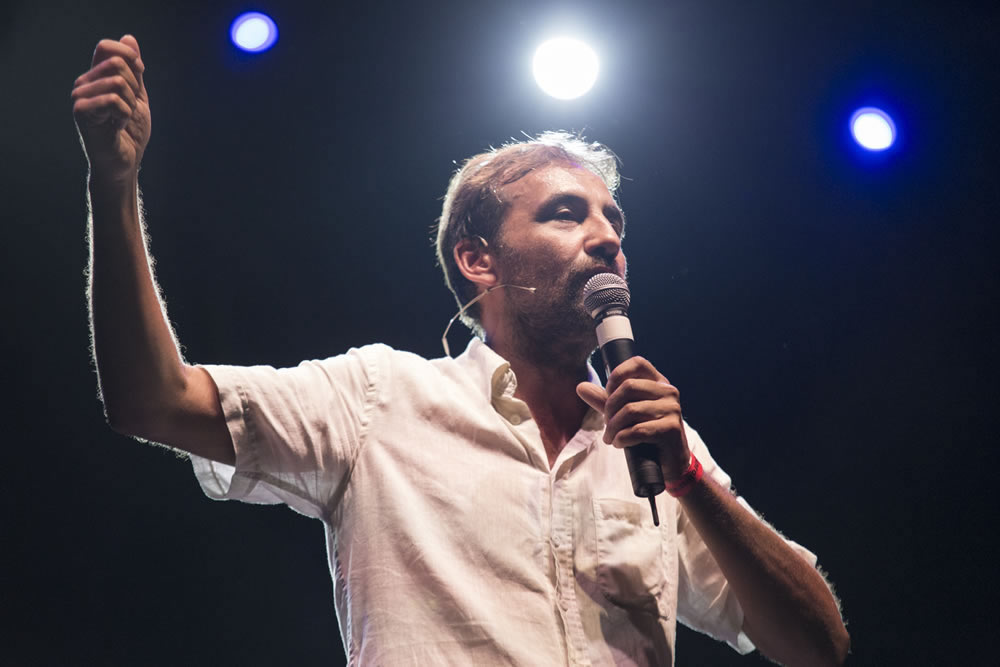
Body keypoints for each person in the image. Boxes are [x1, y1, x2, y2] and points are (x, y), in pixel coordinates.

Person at [74, 34, 850, 666]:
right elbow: (152, 399)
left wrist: (690, 480)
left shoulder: (657, 449)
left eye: (614, 220)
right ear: (479, 260)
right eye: (566, 213)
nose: (606, 237)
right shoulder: (380, 398)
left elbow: (819, 645)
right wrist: (114, 183)